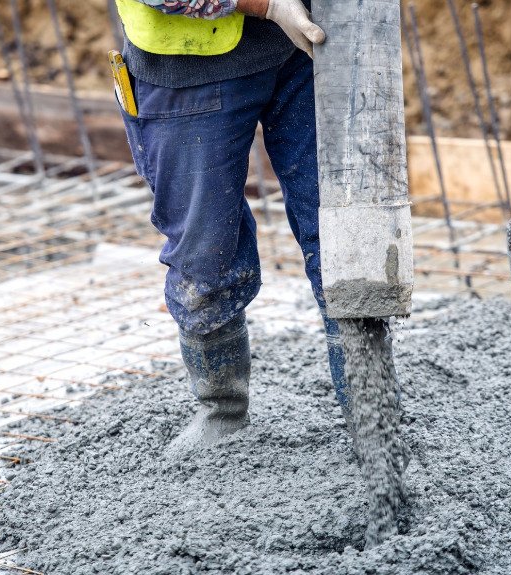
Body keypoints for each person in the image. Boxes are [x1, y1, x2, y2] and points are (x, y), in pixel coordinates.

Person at [113, 0, 344, 455]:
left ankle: (371, 409)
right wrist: (269, 5)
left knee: (344, 232)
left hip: (308, 47)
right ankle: (223, 409)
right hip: (188, 67)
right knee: (205, 253)